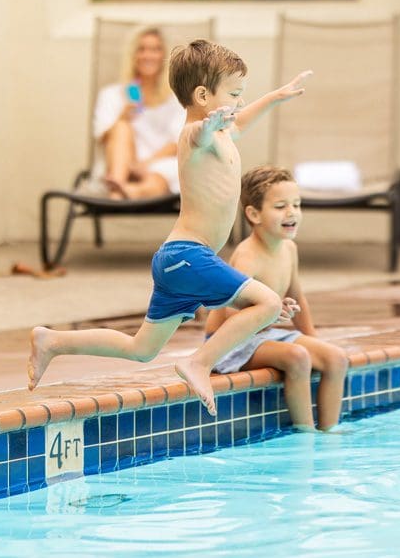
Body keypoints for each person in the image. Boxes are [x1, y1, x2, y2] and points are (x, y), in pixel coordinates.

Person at [28, 39, 313, 416]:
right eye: (234, 93)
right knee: (268, 301)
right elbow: (200, 134)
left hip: (182, 261)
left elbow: (238, 121)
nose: (241, 102)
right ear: (202, 95)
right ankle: (198, 362)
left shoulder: (225, 133)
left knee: (142, 349)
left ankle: (53, 341)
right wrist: (208, 126)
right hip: (187, 256)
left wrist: (276, 96)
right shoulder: (193, 135)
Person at [203, 166, 349, 432]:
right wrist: (269, 312)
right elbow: (230, 315)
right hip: (229, 342)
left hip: (264, 334)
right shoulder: (248, 255)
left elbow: (298, 297)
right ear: (254, 214)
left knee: (336, 358)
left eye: (297, 204)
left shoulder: (288, 249)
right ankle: (305, 432)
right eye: (281, 206)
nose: (292, 212)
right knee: (297, 357)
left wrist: (313, 338)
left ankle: (330, 431)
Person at [91, 26, 185, 200]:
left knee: (160, 178)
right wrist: (123, 117)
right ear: (132, 56)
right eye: (141, 49)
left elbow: (179, 141)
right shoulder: (112, 94)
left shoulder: (178, 98)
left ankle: (123, 193)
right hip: (119, 166)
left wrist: (145, 165)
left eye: (155, 49)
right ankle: (118, 185)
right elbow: (101, 137)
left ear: (164, 56)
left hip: (159, 166)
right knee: (120, 127)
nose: (148, 55)